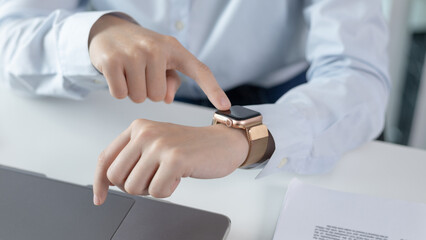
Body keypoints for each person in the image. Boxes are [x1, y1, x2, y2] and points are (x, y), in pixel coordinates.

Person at [0, 0, 390, 206]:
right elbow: (9, 34)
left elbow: (360, 77)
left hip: (276, 105)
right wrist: (95, 32)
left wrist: (244, 137)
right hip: (112, 90)